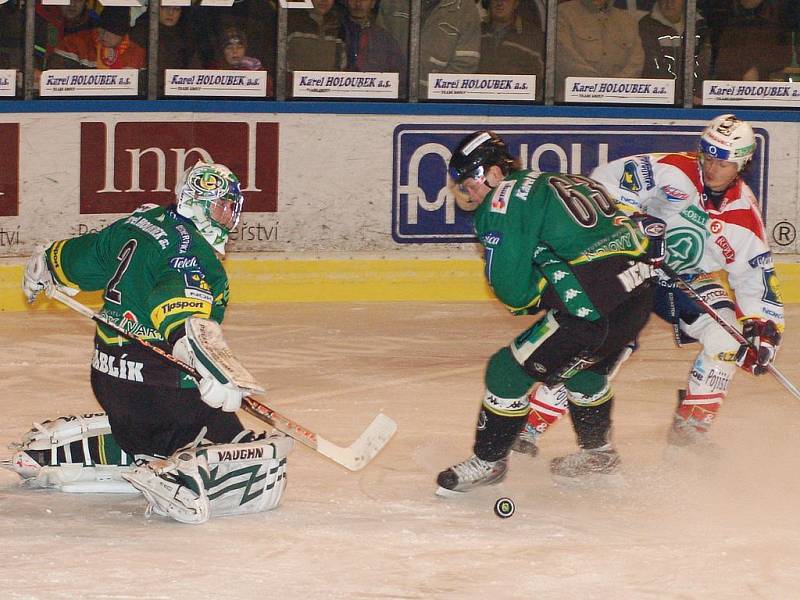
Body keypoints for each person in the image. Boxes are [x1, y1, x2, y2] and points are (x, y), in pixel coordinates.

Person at [12, 162, 293, 524]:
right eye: (222, 205)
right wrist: (215, 369)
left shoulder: (143, 221)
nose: (229, 216)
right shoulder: (194, 255)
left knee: (146, 433)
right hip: (160, 393)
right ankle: (179, 477)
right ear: (200, 204)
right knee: (259, 462)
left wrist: (48, 262)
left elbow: (85, 256)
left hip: (110, 381)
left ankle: (94, 449)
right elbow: (182, 321)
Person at [513, 114, 783, 456]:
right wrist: (634, 222)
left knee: (727, 334)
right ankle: (531, 424)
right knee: (605, 345)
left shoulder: (744, 216)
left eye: (724, 162)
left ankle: (691, 427)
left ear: (742, 164)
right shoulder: (670, 168)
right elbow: (602, 184)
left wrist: (762, 328)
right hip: (630, 264)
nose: (712, 168)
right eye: (708, 156)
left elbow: (754, 276)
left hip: (683, 278)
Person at [435, 131, 659, 495]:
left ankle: (489, 462)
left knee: (506, 371)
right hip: (637, 297)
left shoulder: (501, 202)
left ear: (494, 174)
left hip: (591, 308)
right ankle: (599, 455)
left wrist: (543, 293)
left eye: (470, 181)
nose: (467, 192)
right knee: (582, 370)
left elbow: (513, 292)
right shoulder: (561, 179)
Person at [556, 0, 644, 101]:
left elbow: (636, 62)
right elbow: (565, 58)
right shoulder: (563, 13)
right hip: (574, 100)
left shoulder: (628, 20)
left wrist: (612, 89)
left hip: (618, 101)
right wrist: (599, 88)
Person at [478, 0, 545, 99]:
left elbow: (541, 84)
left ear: (516, 3)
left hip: (518, 107)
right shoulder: (475, 33)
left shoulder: (535, 37)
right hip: (476, 104)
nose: (499, 3)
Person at [48, 6, 146, 70]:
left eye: (112, 32)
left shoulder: (136, 53)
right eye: (102, 29)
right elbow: (57, 77)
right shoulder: (74, 43)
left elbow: (142, 87)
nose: (104, 35)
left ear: (123, 34)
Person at [342, 0, 406, 85]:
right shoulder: (336, 31)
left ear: (373, 3)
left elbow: (400, 78)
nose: (358, 3)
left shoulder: (384, 39)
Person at [287, 0, 346, 72]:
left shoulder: (338, 26)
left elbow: (342, 65)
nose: (324, 1)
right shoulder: (289, 22)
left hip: (326, 82)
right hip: (294, 82)